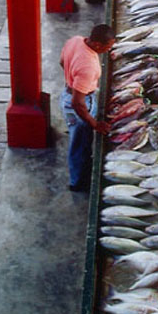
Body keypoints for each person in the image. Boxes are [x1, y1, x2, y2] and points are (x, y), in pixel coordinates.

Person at [60, 24, 116, 192]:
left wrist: (73, 80)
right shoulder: (88, 66)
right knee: (80, 143)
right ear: (98, 45)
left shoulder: (76, 40)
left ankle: (81, 170)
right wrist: (94, 124)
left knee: (78, 136)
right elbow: (78, 103)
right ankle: (77, 182)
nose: (109, 49)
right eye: (108, 46)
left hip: (67, 94)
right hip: (77, 103)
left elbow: (62, 61)